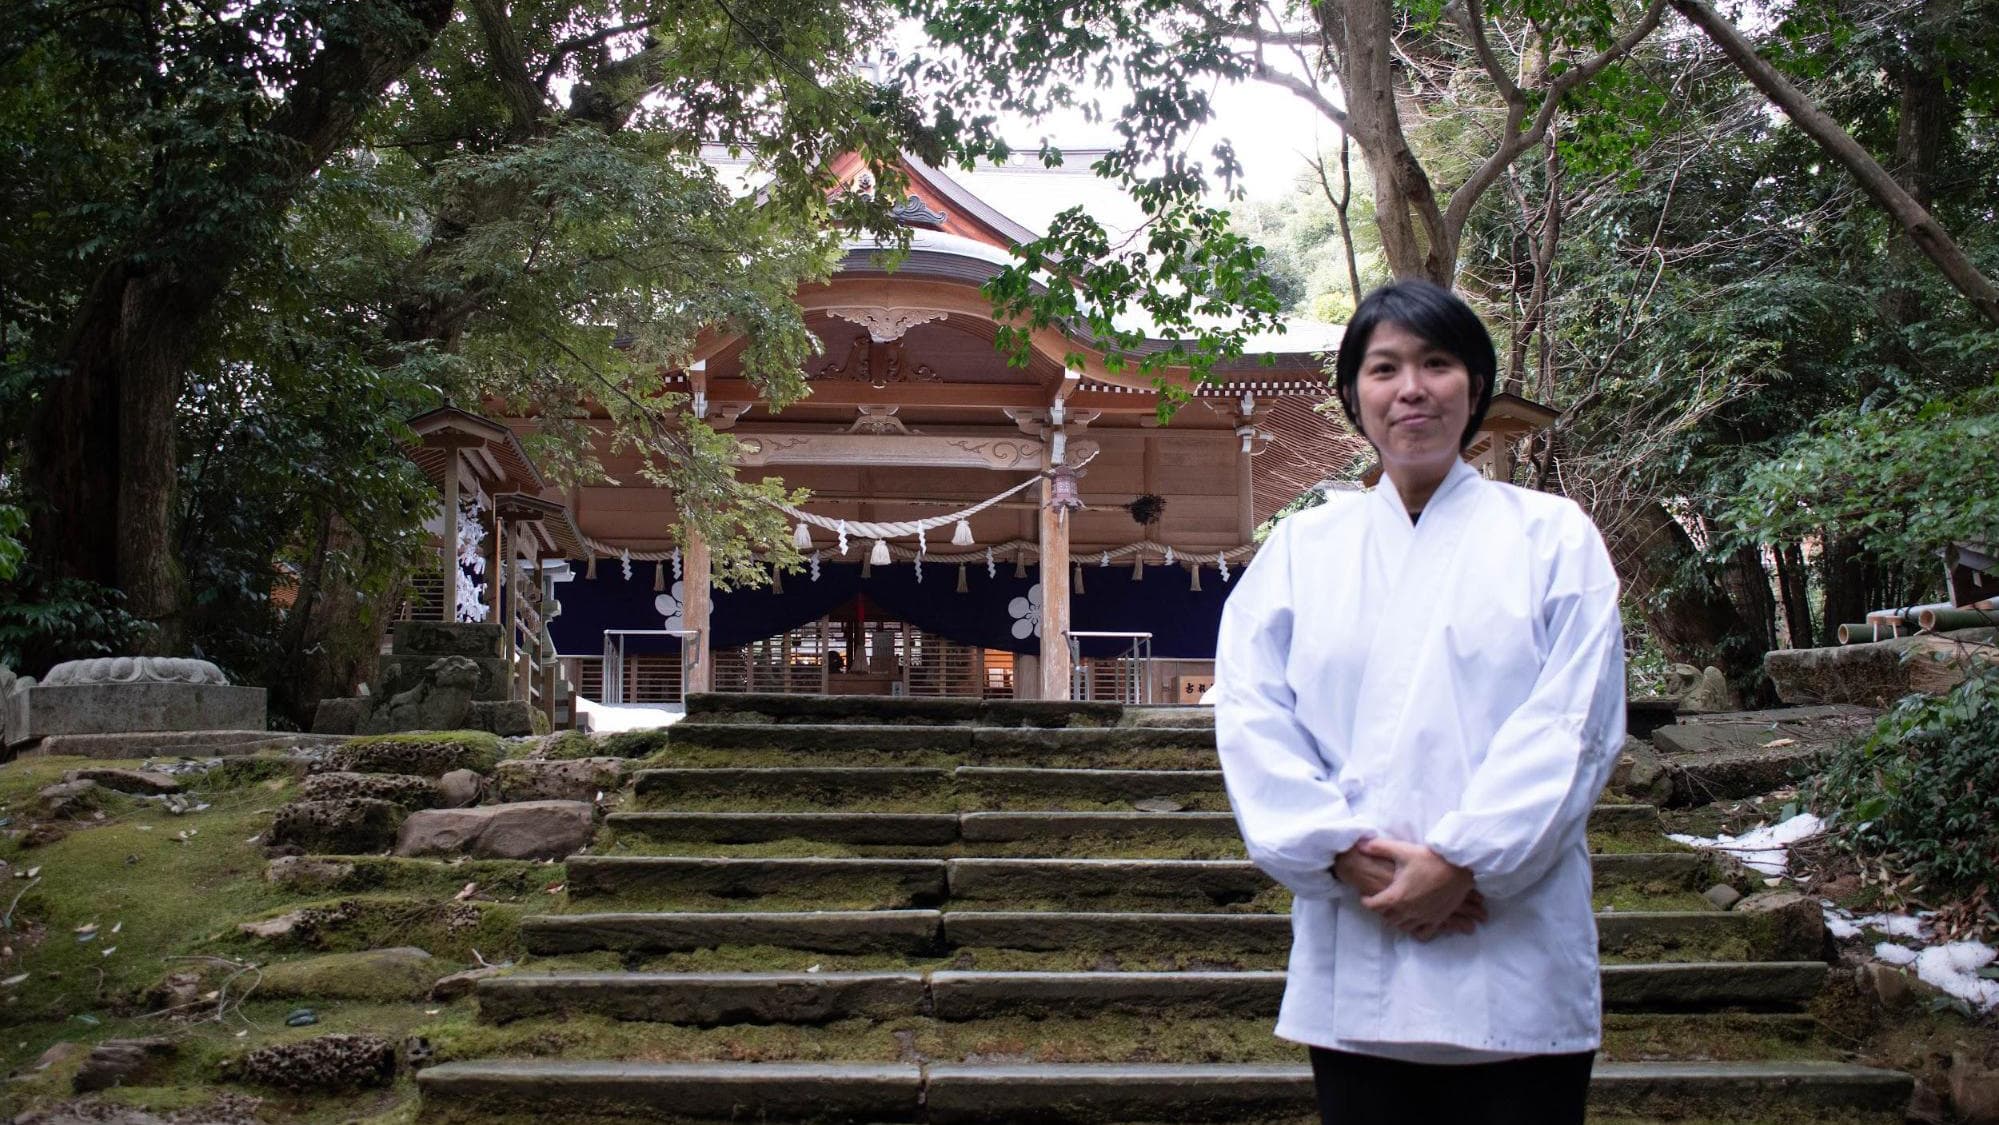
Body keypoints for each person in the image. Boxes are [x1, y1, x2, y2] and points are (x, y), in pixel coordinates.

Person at [1213, 279, 1627, 1125]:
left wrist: (1463, 860)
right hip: (1357, 938)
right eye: (1383, 366)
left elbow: (1573, 722)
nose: (1411, 388)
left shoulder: (1552, 536)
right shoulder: (1302, 546)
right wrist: (1332, 851)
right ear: (1351, 395)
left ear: (1474, 387)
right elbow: (1251, 712)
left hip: (1510, 938)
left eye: (1436, 363)